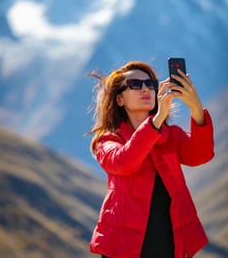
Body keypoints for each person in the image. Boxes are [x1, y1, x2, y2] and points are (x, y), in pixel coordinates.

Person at [88, 61, 214, 258]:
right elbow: (124, 162)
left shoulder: (171, 135)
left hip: (172, 246)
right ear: (119, 99)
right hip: (124, 248)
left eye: (150, 84)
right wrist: (156, 121)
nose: (145, 88)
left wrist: (195, 106)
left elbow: (201, 154)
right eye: (136, 85)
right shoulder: (108, 139)